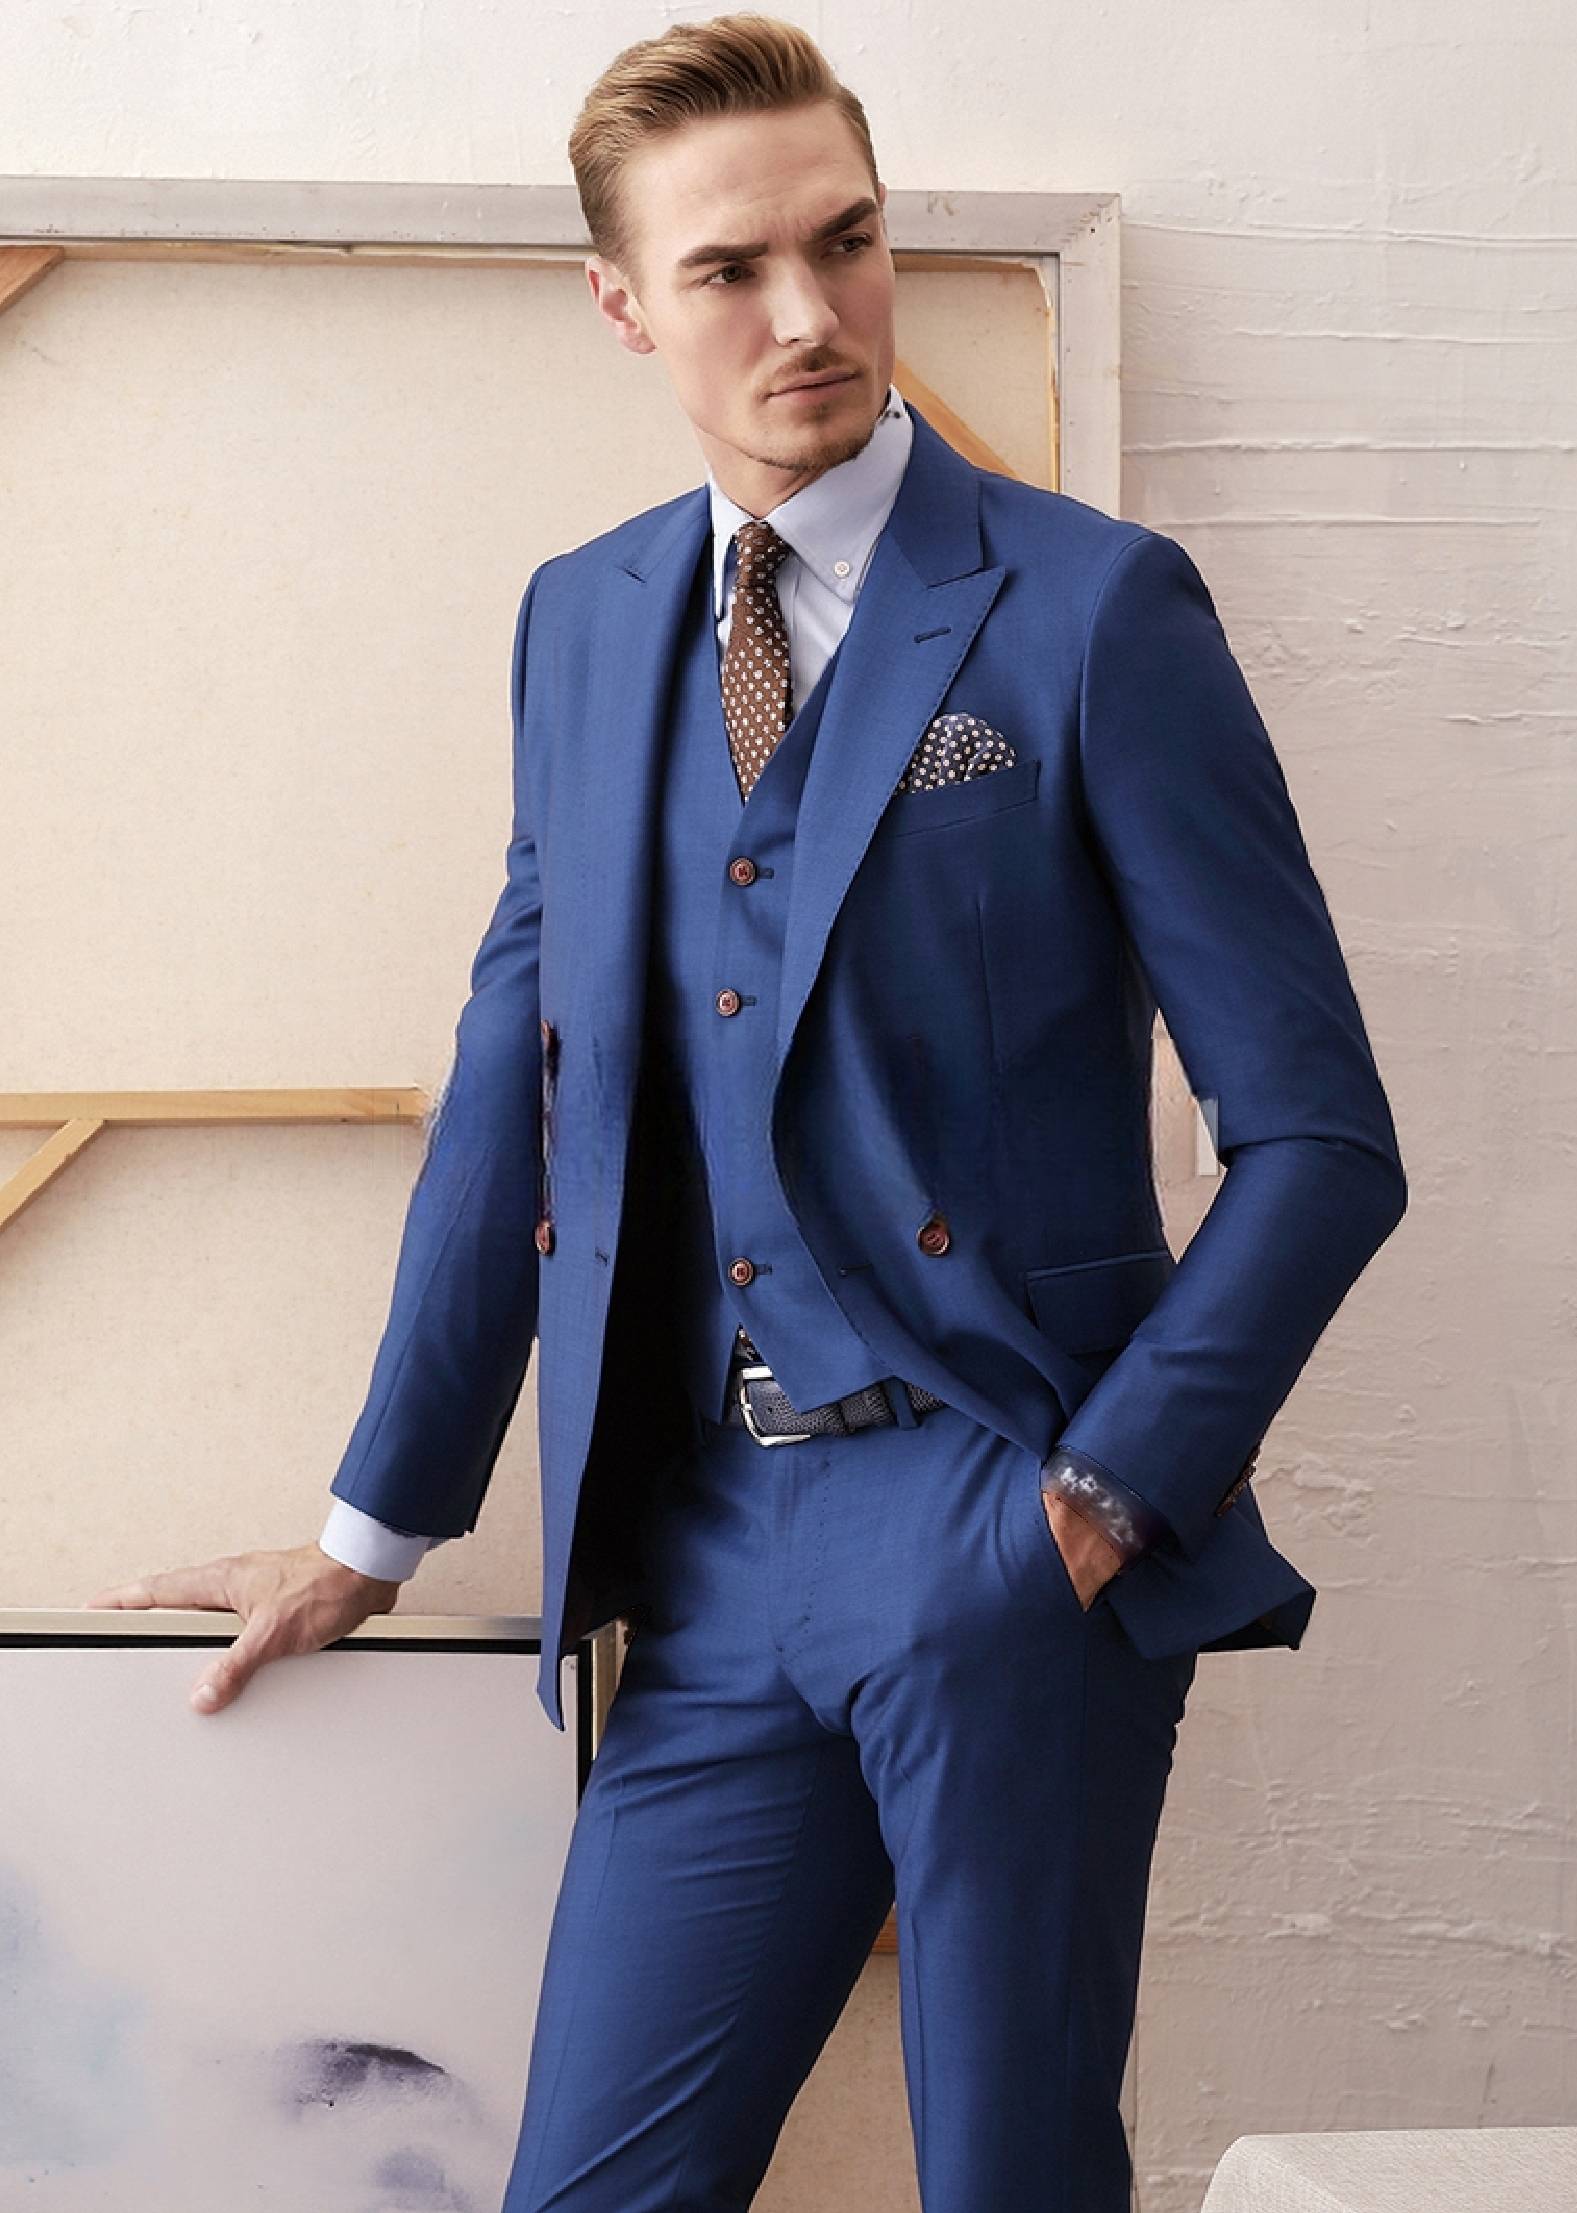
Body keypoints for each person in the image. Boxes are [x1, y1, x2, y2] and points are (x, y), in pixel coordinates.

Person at [88, 15, 1407, 2208]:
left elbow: (1321, 1140)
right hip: (701, 1553)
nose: (809, 313)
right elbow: (517, 1090)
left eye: (846, 242)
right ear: (622, 303)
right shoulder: (585, 622)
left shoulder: (1092, 610)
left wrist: (1097, 1503)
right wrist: (369, 1534)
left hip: (996, 1524)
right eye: (729, 268)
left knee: (1009, 2181)